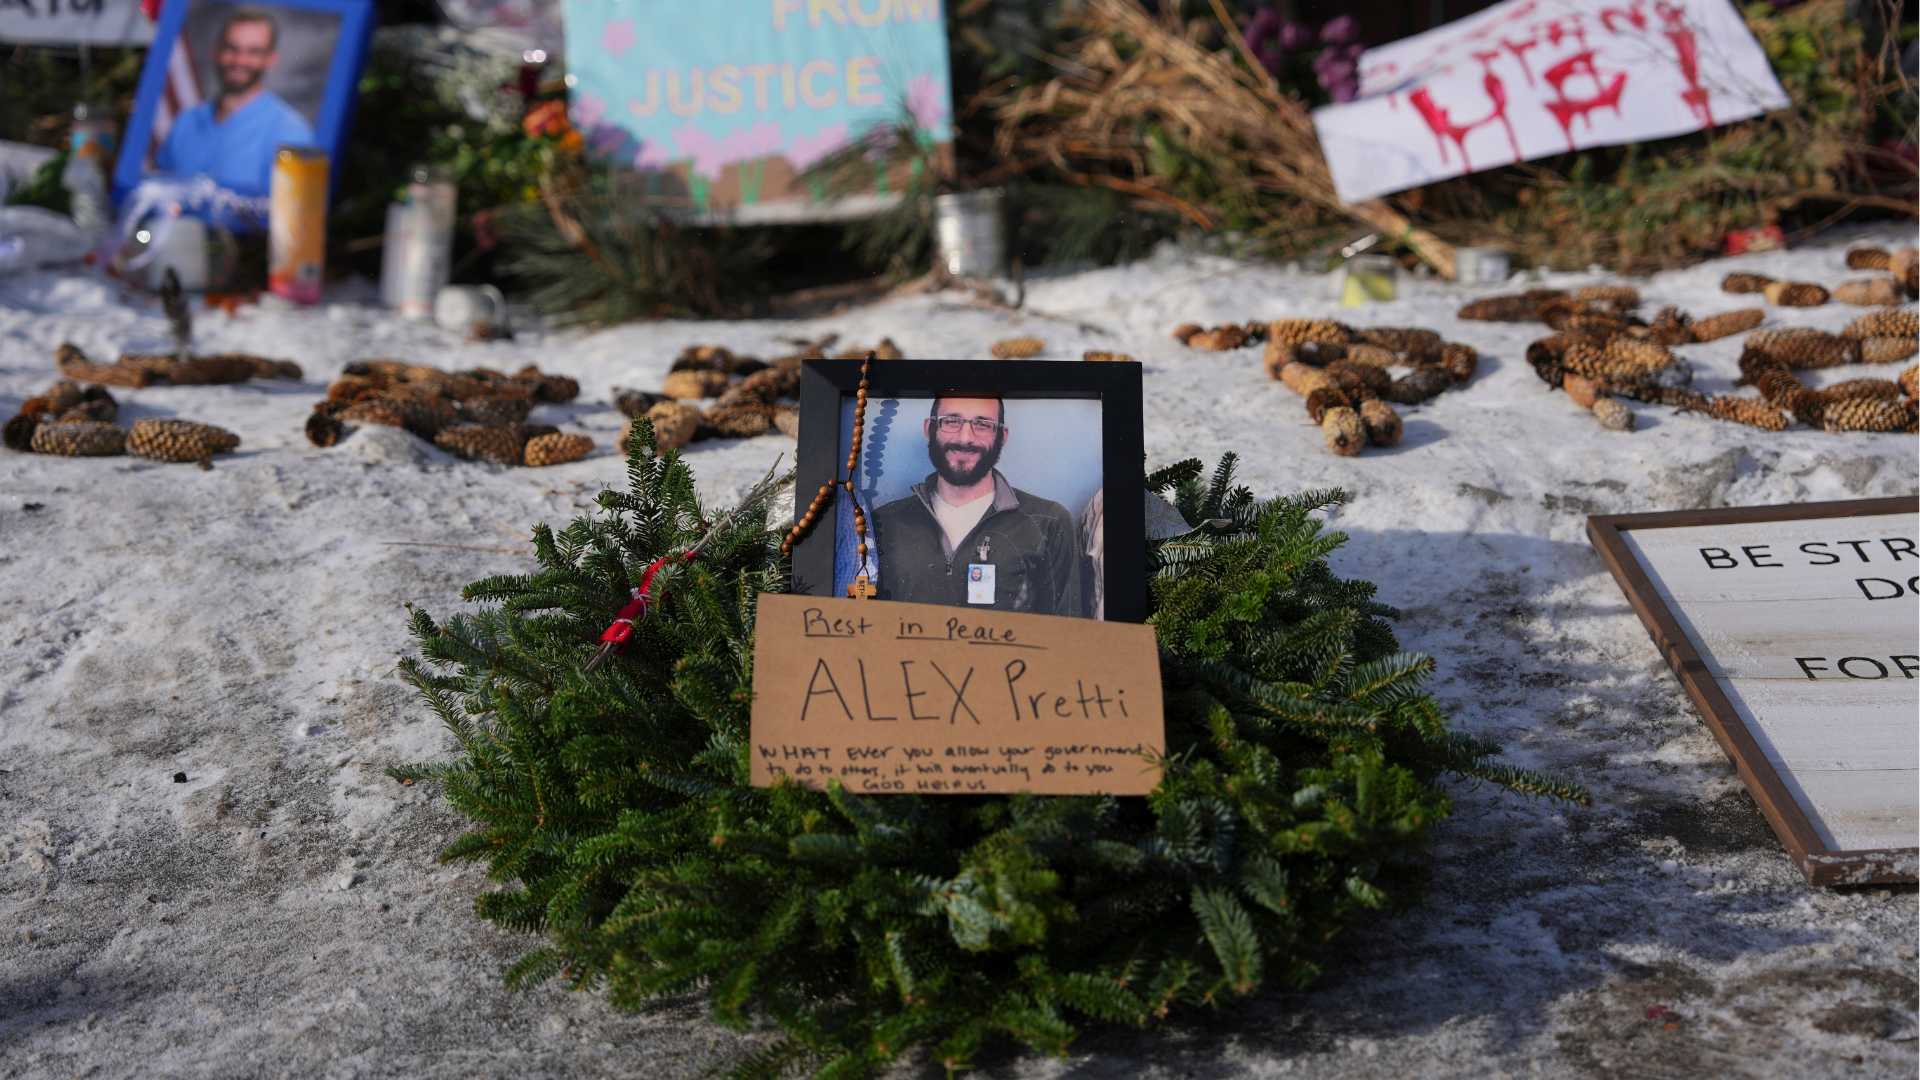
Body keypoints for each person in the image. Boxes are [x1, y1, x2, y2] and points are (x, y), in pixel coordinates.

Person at [871, 394, 1082, 616]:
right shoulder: (884, 521)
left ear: (1002, 436)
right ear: (929, 428)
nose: (965, 438)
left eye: (982, 424)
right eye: (951, 421)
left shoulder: (1048, 523)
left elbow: (1066, 631)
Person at [155, 7, 316, 197]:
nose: (240, 60)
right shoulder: (185, 121)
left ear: (270, 59)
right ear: (216, 51)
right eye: (232, 48)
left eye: (254, 52)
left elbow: (294, 212)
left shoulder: (292, 133)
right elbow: (158, 191)